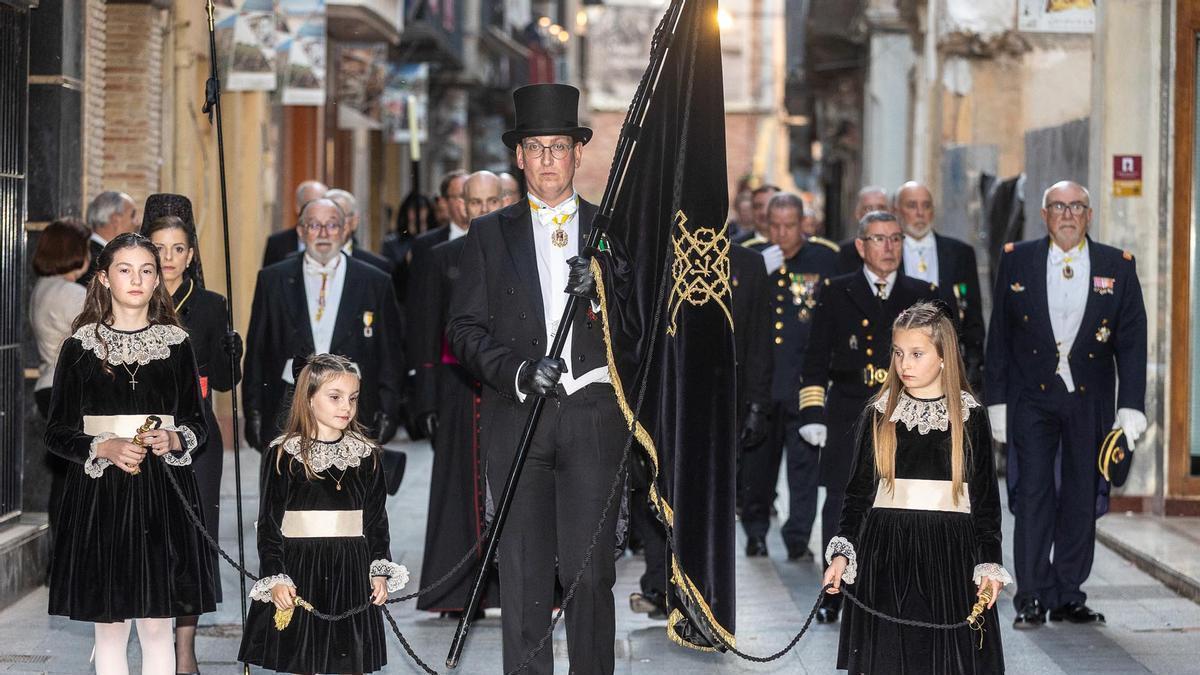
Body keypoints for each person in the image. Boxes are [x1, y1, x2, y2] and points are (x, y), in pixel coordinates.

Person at [447, 82, 623, 674]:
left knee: (590, 573)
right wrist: (519, 370)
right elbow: (464, 331)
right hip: (518, 415)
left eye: (559, 146)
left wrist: (601, 290)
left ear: (578, 154)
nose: (548, 158)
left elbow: (647, 328)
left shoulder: (612, 232)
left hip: (594, 417)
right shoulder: (488, 235)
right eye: (536, 147)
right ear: (518, 157)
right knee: (522, 575)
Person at [44, 233, 216, 674]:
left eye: (146, 270)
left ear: (157, 279)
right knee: (111, 626)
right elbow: (56, 433)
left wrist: (175, 440)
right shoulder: (81, 348)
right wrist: (101, 445)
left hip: (163, 495)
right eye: (125, 269)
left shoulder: (176, 344)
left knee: (158, 626)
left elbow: (199, 424)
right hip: (102, 498)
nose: (137, 279)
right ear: (103, 278)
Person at [985, 180, 1146, 628]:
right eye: (1058, 206)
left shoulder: (1118, 265)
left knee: (1079, 496)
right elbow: (999, 336)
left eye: (1076, 206)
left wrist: (1131, 406)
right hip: (1032, 400)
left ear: (1089, 215)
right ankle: (1032, 596)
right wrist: (995, 402)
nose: (1068, 214)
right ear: (1045, 215)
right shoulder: (1018, 259)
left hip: (1089, 402)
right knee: (1033, 495)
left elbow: (1132, 342)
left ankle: (1068, 593)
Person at [823, 302, 1007, 674]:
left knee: (943, 657)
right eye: (898, 353)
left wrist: (989, 564)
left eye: (917, 354)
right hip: (887, 554)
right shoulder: (881, 413)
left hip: (949, 556)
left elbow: (986, 501)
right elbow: (858, 494)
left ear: (943, 357)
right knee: (889, 656)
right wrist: (842, 554)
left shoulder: (969, 416)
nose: (904, 364)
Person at [798, 210, 940, 623]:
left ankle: (891, 586)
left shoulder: (922, 295)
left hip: (905, 411)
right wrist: (812, 411)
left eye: (896, 239)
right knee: (842, 502)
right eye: (879, 239)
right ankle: (834, 589)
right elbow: (815, 356)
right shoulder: (836, 291)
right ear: (861, 246)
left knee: (901, 501)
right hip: (849, 410)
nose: (889, 247)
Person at [238, 354, 409, 673]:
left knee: (347, 661)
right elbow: (270, 525)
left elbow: (375, 522)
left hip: (350, 573)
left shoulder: (366, 456)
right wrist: (276, 576)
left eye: (353, 398)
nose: (346, 407)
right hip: (301, 569)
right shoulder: (283, 454)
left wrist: (379, 568)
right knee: (305, 659)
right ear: (308, 399)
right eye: (335, 397)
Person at [141, 193, 244, 674]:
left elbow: (223, 383)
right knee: (147, 539)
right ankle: (151, 639)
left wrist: (230, 351)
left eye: (178, 248)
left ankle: (184, 649)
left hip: (197, 441)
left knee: (191, 544)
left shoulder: (209, 304)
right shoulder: (131, 297)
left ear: (191, 253)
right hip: (142, 436)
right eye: (158, 248)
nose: (168, 258)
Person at [412, 170, 503, 616]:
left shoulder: (518, 251)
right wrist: (426, 398)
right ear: (461, 205)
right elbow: (426, 330)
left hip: (510, 385)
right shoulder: (440, 256)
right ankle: (460, 593)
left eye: (492, 201)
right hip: (457, 389)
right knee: (459, 490)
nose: (483, 210)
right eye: (475, 202)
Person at [243, 198, 403, 453]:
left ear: (345, 230)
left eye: (332, 225)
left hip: (353, 407)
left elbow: (390, 353)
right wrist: (252, 410)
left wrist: (389, 410)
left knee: (347, 488)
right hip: (287, 403)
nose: (324, 233)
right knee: (286, 486)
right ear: (301, 231)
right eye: (314, 225)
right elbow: (257, 349)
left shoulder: (374, 281)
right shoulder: (273, 279)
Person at [741, 193, 838, 559]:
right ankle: (756, 531)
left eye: (790, 226)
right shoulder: (749, 255)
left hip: (804, 382)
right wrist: (754, 274)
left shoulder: (825, 258)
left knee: (804, 467)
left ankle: (798, 536)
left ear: (804, 225)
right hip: (761, 383)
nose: (781, 234)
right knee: (757, 466)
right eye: (774, 226)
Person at [30, 218, 90, 536]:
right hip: (66, 389)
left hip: (46, 385)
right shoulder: (70, 293)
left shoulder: (43, 287)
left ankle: (59, 557)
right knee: (74, 476)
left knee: (64, 475)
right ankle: (66, 555)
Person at [325, 188, 394, 274]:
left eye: (341, 216)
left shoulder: (378, 266)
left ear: (354, 222)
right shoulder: (305, 263)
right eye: (326, 217)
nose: (333, 223)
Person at [262, 179, 327, 267]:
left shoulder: (335, 243)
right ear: (298, 207)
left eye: (323, 206)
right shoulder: (277, 243)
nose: (317, 211)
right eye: (310, 205)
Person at [80, 191, 139, 287]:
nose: (137, 222)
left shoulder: (87, 251)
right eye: (132, 215)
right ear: (115, 220)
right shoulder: (97, 262)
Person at [836, 185, 890, 274]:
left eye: (881, 208)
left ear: (891, 212)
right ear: (857, 214)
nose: (875, 214)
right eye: (868, 209)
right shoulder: (841, 254)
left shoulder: (902, 250)